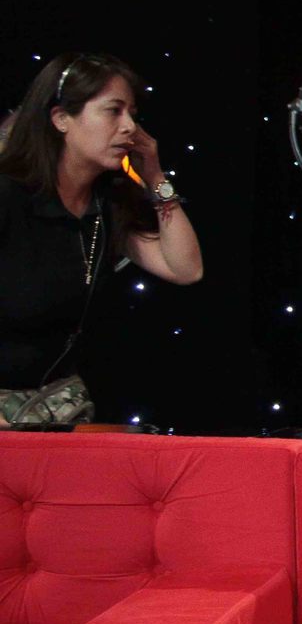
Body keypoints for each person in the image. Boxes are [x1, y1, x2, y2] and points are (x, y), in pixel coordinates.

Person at [0, 53, 203, 423]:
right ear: (61, 118)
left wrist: (156, 178)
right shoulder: (9, 196)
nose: (130, 128)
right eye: (113, 111)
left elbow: (185, 269)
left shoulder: (109, 204)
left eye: (132, 114)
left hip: (56, 407)